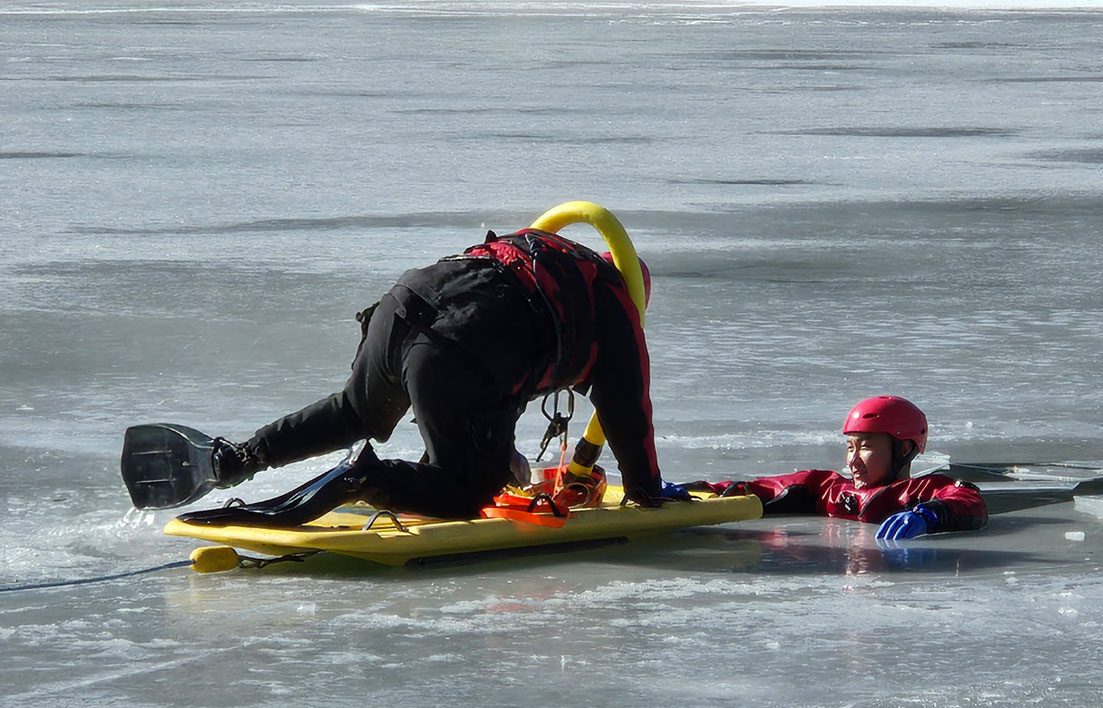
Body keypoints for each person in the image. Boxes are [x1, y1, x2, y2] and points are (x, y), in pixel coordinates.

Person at [183, 227, 676, 527]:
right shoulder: (614, 305)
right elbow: (631, 417)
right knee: (470, 491)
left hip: (400, 309)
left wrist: (501, 450)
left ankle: (238, 458)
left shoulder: (552, 262)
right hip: (456, 347)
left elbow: (504, 345)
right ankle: (363, 478)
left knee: (354, 410)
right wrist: (647, 491)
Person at [691, 396, 987, 539]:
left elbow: (968, 500)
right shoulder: (828, 487)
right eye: (850, 448)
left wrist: (929, 515)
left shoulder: (923, 490)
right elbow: (769, 486)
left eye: (866, 447)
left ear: (905, 449)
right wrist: (703, 490)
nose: (853, 461)